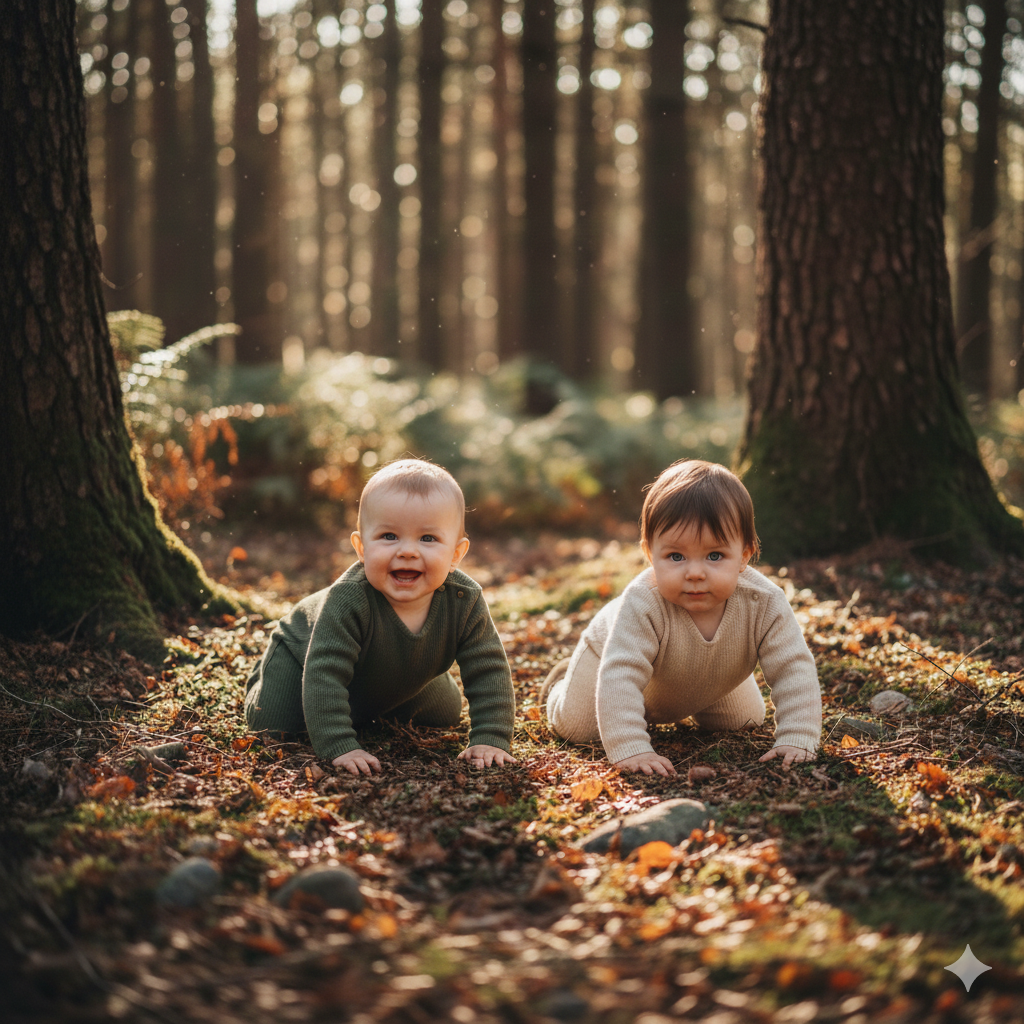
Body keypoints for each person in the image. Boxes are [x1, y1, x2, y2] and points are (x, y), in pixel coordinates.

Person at [542, 459, 821, 775]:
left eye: (714, 556)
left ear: (744, 554)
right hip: (608, 661)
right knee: (578, 728)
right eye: (676, 556)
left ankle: (675, 703)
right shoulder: (643, 603)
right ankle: (560, 685)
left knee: (742, 720)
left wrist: (799, 736)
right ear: (650, 554)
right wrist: (632, 748)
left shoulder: (764, 602)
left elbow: (793, 667)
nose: (695, 573)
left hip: (705, 675)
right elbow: (620, 675)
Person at [245, 459, 516, 776]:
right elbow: (324, 675)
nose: (407, 551)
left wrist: (491, 738)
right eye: (389, 536)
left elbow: (489, 669)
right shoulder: (349, 598)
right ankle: (269, 684)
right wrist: (340, 745)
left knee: (446, 711)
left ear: (456, 554)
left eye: (428, 538)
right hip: (302, 659)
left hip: (383, 673)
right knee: (271, 725)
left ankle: (390, 687)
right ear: (361, 548)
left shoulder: (463, 600)